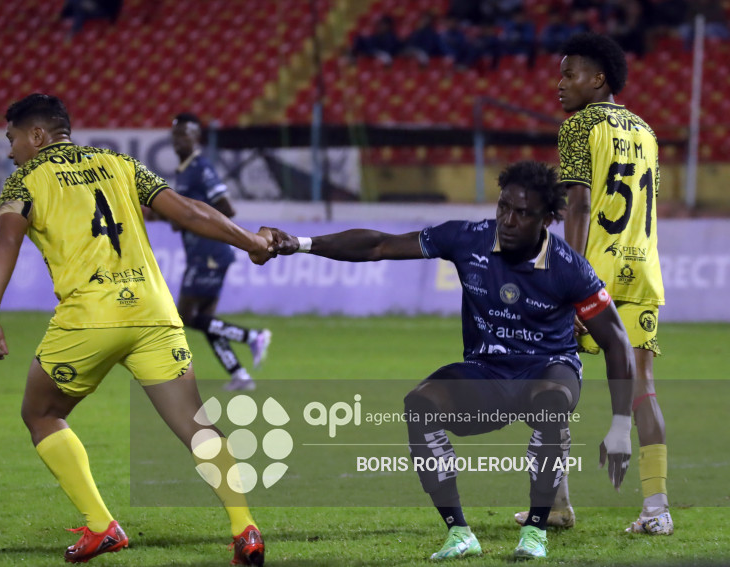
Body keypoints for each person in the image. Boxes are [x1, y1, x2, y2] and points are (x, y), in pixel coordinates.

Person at [265, 160, 636, 560]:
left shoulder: (569, 268)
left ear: (547, 219)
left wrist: (620, 425)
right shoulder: (468, 238)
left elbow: (616, 342)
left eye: (523, 213)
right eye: (503, 207)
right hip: (487, 373)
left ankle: (535, 530)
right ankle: (459, 533)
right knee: (420, 404)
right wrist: (300, 244)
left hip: (548, 368)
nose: (508, 220)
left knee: (550, 402)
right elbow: (379, 245)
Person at [0, 94, 270, 565]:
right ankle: (245, 528)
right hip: (153, 312)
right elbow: (190, 211)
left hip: (90, 316)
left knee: (42, 413)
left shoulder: (24, 179)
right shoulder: (122, 164)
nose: (11, 150)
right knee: (197, 426)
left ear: (36, 136)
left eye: (12, 138)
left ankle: (100, 526)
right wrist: (251, 240)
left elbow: (6, 239)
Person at [518, 32, 672, 535]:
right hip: (643, 271)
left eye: (569, 74)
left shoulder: (580, 126)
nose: (559, 84)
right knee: (643, 389)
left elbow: (579, 203)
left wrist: (567, 271)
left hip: (593, 271)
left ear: (598, 78)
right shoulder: (646, 131)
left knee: (551, 380)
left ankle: (556, 505)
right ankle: (657, 510)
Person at [169, 113, 271, 392]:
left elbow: (226, 207)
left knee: (186, 317)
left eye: (185, 134)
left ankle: (252, 336)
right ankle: (240, 374)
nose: (179, 140)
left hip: (209, 253)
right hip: (202, 254)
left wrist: (193, 219)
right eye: (176, 134)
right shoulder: (184, 169)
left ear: (196, 137)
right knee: (207, 322)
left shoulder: (201, 167)